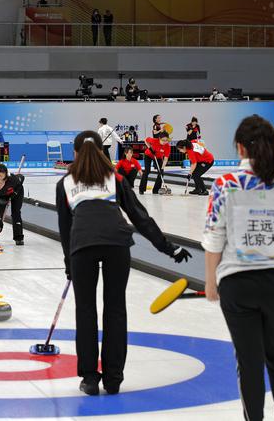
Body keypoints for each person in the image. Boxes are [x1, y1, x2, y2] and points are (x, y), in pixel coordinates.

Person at [56, 130, 191, 396]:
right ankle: (114, 378)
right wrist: (168, 247)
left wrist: (69, 264)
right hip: (117, 244)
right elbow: (140, 217)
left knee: (86, 311)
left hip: (82, 246)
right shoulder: (115, 178)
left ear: (75, 153)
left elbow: (65, 227)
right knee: (115, 309)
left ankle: (91, 378)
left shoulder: (66, 182)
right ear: (103, 152)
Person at [202, 114, 274, 421]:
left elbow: (214, 237)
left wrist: (211, 281)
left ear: (239, 149)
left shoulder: (226, 184)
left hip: (238, 285)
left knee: (249, 361)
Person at [0, 171, 25, 245]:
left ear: (4, 181)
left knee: (16, 213)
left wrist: (15, 192)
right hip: (2, 195)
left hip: (16, 193)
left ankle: (18, 237)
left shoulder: (13, 180)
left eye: (0, 184)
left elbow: (22, 177)